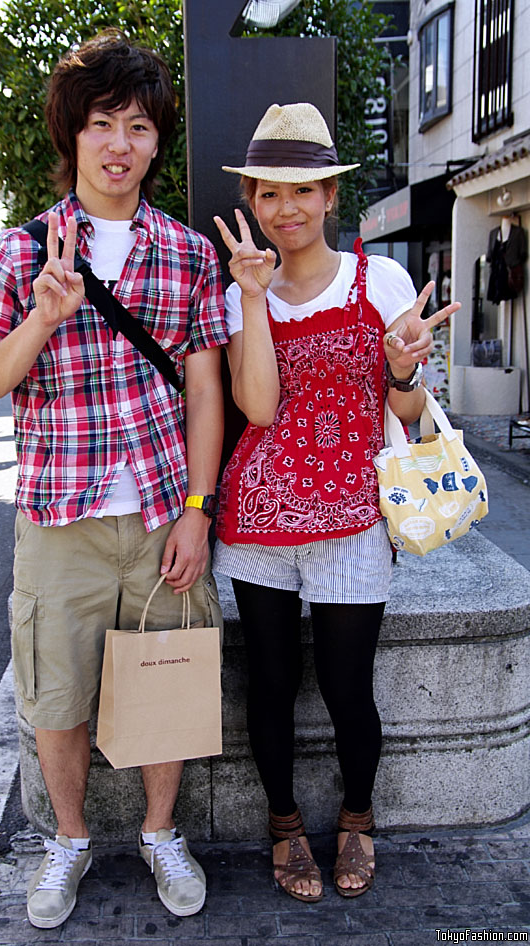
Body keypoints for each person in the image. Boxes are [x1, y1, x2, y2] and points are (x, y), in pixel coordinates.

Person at [0, 30, 228, 929]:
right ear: (74, 135)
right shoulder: (18, 252)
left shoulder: (188, 255)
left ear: (158, 141)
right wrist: (41, 320)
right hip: (60, 518)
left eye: (140, 126)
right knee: (58, 697)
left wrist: (197, 508)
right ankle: (67, 839)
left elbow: (202, 387)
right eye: (104, 123)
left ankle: (159, 833)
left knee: (167, 682)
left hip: (160, 511)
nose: (120, 144)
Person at [213, 103, 459, 902]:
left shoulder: (378, 279)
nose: (287, 209)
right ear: (252, 198)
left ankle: (356, 819)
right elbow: (255, 412)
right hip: (259, 522)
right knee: (273, 685)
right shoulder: (238, 293)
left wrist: (404, 370)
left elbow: (413, 413)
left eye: (304, 191)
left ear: (328, 197)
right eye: (270, 193)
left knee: (351, 687)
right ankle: (285, 828)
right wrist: (253, 300)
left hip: (356, 517)